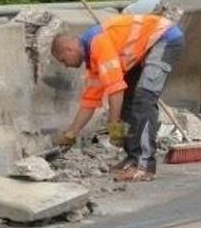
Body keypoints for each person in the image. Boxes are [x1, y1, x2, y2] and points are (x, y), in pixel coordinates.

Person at [50, 13, 185, 182]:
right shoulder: (92, 62)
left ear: (68, 49)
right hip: (146, 48)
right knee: (128, 101)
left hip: (164, 38)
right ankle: (133, 159)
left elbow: (115, 90)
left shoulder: (98, 44)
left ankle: (145, 167)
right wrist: (70, 134)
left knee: (143, 99)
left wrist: (114, 126)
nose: (65, 65)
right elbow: (89, 102)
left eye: (63, 60)